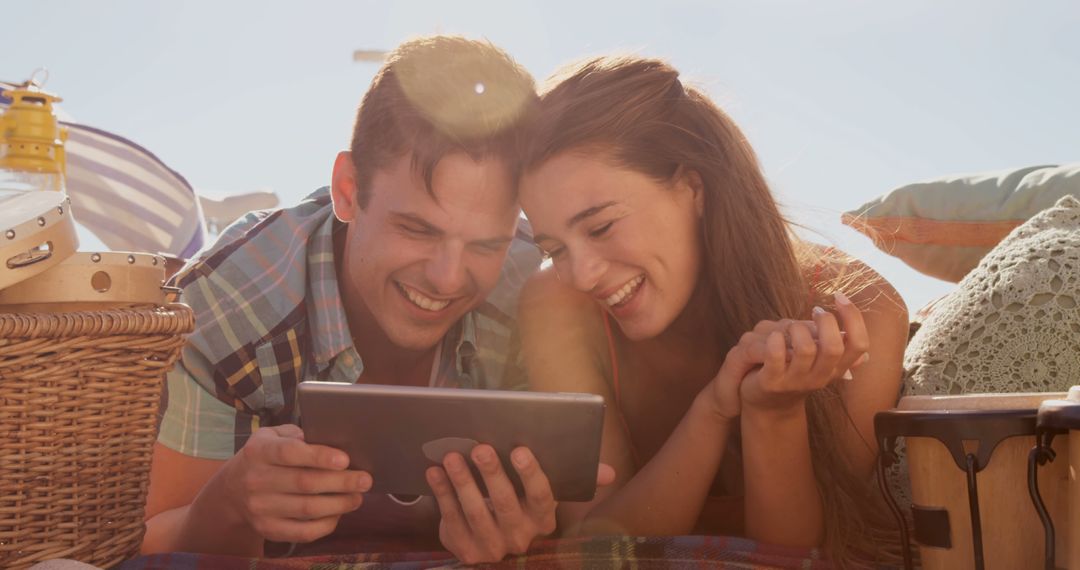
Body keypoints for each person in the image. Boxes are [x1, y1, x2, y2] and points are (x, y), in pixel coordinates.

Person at [141, 36, 602, 564]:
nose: (448, 279)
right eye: (416, 229)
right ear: (347, 190)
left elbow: (568, 520)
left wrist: (525, 534)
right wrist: (229, 502)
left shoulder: (534, 290)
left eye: (486, 244)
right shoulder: (227, 306)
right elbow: (157, 545)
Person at [516, 55, 909, 566]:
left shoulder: (858, 312)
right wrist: (714, 410)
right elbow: (596, 547)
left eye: (601, 227)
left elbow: (800, 558)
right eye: (554, 248)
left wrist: (773, 411)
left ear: (692, 188)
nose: (582, 274)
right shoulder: (558, 304)